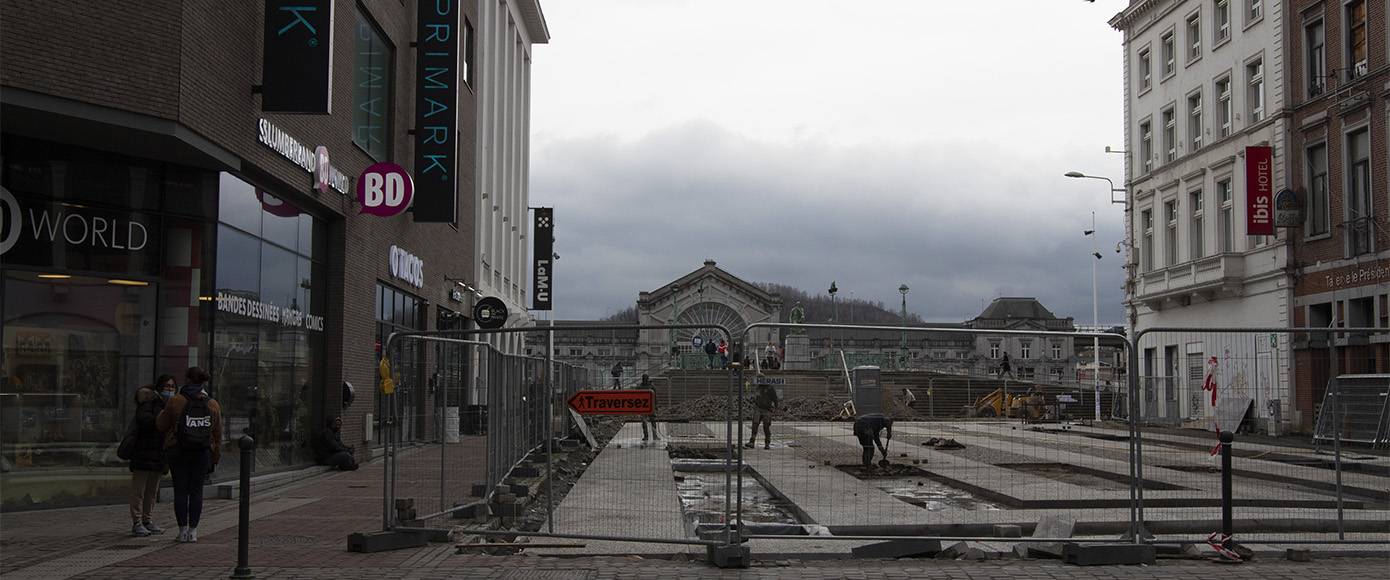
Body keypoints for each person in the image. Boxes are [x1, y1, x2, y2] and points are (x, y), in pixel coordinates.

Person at [156, 366, 222, 544]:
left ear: (187, 379)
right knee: (196, 491)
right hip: (202, 452)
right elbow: (217, 434)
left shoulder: (176, 400)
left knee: (180, 491)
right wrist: (214, 457)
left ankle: (181, 531)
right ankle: (193, 531)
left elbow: (161, 425)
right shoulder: (211, 403)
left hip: (178, 450)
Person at [128, 374, 176, 536]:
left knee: (152, 490)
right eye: (166, 386)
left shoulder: (171, 405)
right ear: (159, 387)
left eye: (172, 387)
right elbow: (143, 422)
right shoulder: (149, 403)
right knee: (139, 489)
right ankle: (137, 521)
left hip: (159, 453)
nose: (169, 389)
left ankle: (147, 519)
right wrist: (160, 418)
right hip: (144, 451)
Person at [745, 378, 779, 449]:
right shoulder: (758, 387)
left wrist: (776, 408)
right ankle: (752, 441)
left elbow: (775, 398)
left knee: (766, 426)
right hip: (759, 408)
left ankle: (767, 443)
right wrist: (756, 405)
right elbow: (757, 397)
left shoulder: (770, 387)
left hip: (767, 409)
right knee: (755, 424)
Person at [635, 374, 656, 442]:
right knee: (644, 422)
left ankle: (655, 435)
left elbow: (655, 397)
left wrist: (656, 405)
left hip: (651, 407)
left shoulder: (652, 386)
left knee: (653, 421)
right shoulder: (639, 387)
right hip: (643, 408)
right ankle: (646, 436)